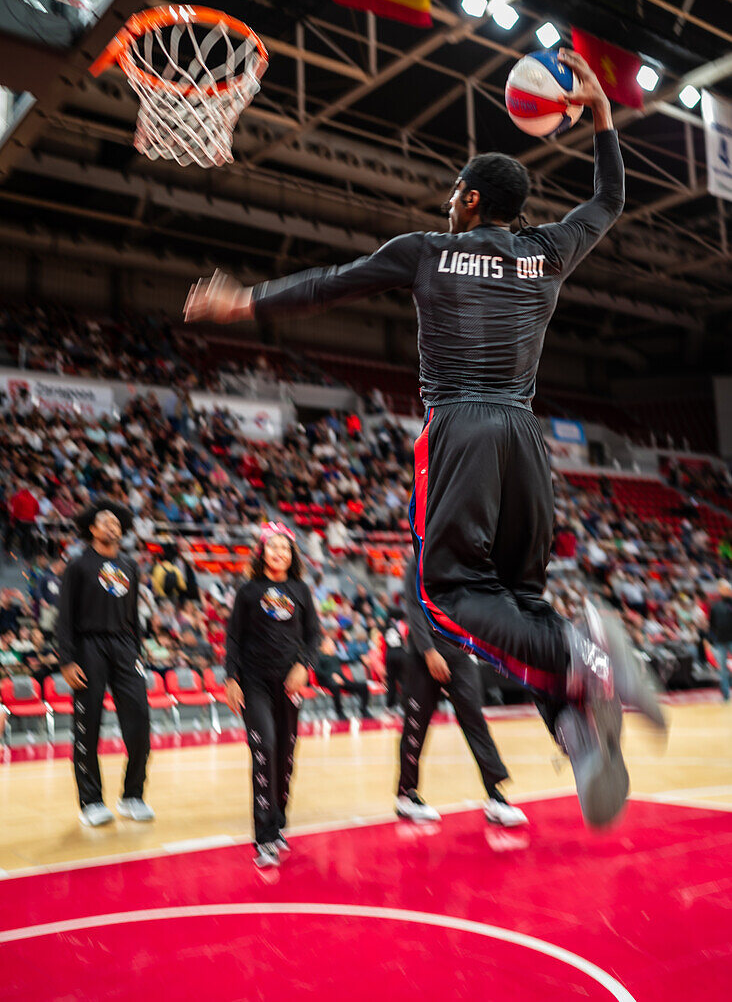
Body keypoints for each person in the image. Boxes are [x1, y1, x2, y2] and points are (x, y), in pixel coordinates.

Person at [185, 49, 665, 828]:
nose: (447, 203)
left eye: (453, 194)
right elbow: (608, 199)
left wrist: (244, 305)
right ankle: (577, 724)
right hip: (527, 441)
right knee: (520, 599)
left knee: (447, 596)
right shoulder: (547, 251)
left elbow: (329, 284)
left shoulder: (428, 251)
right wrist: (604, 120)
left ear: (470, 200)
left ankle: (588, 661)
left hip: (463, 430)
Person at [396, 560, 528, 827]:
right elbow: (414, 607)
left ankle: (495, 797)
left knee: (475, 722)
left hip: (460, 655)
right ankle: (406, 796)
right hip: (425, 655)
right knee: (416, 726)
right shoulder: (420, 560)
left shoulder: (463, 559)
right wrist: (428, 652)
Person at [225, 522, 319, 868]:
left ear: (291, 554)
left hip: (289, 683)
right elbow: (233, 638)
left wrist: (303, 665)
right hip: (254, 682)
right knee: (264, 748)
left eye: (285, 547)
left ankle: (278, 823)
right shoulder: (248, 591)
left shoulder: (301, 591)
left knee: (286, 757)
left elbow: (313, 637)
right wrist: (231, 678)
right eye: (273, 546)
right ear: (262, 551)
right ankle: (264, 836)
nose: (279, 552)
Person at [56, 500, 154, 827]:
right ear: (92, 530)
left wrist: (137, 651)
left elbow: (134, 617)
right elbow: (64, 617)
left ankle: (132, 795)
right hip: (88, 646)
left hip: (125, 646)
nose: (112, 526)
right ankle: (91, 801)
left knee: (140, 719)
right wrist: (67, 660)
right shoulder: (78, 566)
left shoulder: (130, 566)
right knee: (89, 727)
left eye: (116, 522)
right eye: (104, 522)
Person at [315, 633, 372, 721]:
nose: (334, 646)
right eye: (331, 644)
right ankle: (339, 712)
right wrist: (331, 675)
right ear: (324, 645)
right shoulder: (319, 657)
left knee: (363, 686)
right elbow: (318, 671)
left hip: (342, 680)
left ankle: (364, 710)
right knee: (335, 686)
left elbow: (348, 660)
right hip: (327, 681)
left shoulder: (335, 657)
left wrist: (361, 659)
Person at [708, 579, 732, 702]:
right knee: (722, 668)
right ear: (720, 590)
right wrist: (711, 639)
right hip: (720, 641)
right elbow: (711, 625)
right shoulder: (715, 606)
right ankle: (725, 694)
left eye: (728, 589)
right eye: (724, 589)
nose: (727, 591)